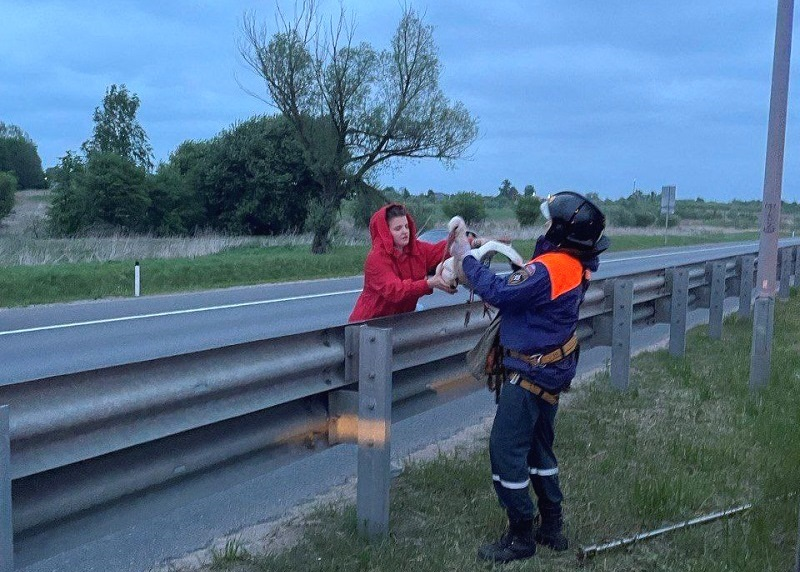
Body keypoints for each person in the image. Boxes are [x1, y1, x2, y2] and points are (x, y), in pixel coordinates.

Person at [449, 191, 609, 564]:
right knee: (539, 450)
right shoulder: (572, 263)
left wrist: (468, 260)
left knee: (505, 451)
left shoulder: (551, 268)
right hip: (550, 370)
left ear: (562, 231)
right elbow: (531, 278)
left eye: (550, 222)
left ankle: (521, 534)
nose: (546, 226)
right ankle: (552, 526)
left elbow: (501, 290)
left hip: (529, 373)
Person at [349, 203, 457, 322]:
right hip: (368, 325)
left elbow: (441, 250)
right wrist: (429, 283)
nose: (405, 231)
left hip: (399, 322)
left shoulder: (416, 249)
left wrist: (471, 242)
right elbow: (395, 290)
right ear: (385, 232)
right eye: (398, 228)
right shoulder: (376, 259)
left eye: (406, 226)